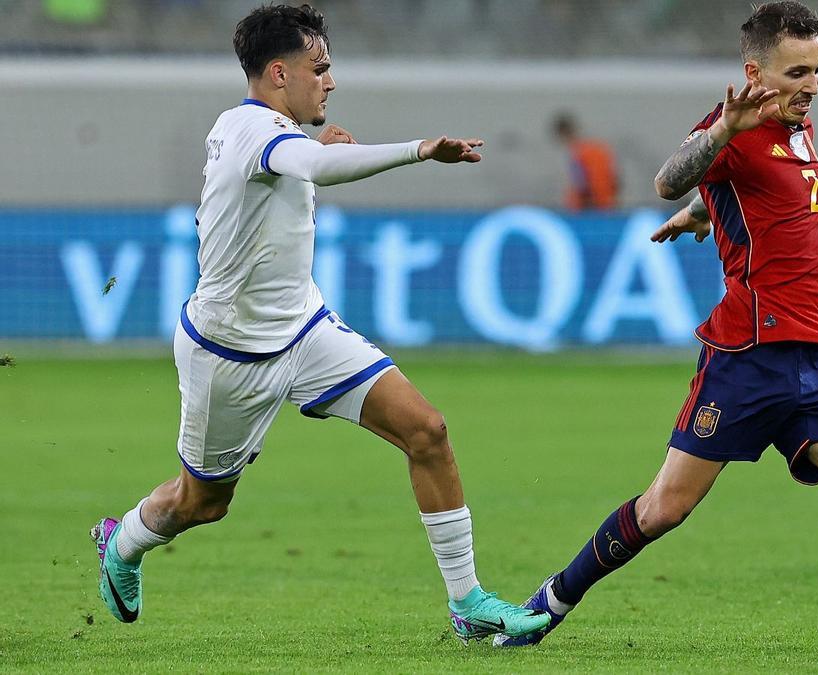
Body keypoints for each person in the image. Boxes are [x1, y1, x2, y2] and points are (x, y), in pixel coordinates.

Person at [495, 2, 818, 659]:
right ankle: (550, 601)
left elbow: (749, 195)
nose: (811, 83)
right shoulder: (731, 124)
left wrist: (703, 212)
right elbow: (666, 176)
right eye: (797, 71)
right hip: (749, 357)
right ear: (754, 71)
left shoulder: (797, 125)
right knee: (664, 508)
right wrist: (713, 146)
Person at [89, 3, 549, 643]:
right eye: (320, 67)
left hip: (304, 332)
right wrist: (418, 150)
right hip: (232, 355)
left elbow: (295, 166)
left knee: (428, 431)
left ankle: (467, 602)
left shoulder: (269, 134)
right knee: (203, 504)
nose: (330, 81)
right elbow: (312, 166)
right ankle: (125, 540)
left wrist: (311, 145)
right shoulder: (252, 130)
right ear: (279, 73)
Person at [552, 111, 621, 211]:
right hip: (606, 204)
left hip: (594, 207)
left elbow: (583, 185)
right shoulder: (597, 148)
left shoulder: (579, 154)